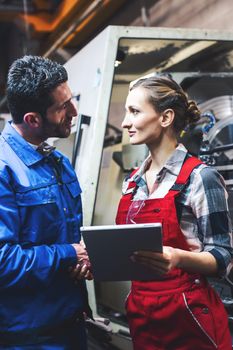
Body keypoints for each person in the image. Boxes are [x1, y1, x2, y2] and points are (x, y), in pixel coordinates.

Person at [116, 75, 233, 350]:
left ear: (166, 117)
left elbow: (223, 256)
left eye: (134, 111)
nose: (125, 122)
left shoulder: (200, 177)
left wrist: (178, 257)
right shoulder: (132, 183)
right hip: (143, 315)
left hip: (189, 316)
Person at [0, 55, 93, 349]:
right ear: (32, 119)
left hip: (72, 321)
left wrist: (85, 257)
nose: (74, 111)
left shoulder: (59, 162)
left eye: (71, 100)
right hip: (30, 336)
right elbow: (2, 260)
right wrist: (69, 254)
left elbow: (70, 237)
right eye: (63, 107)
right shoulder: (4, 169)